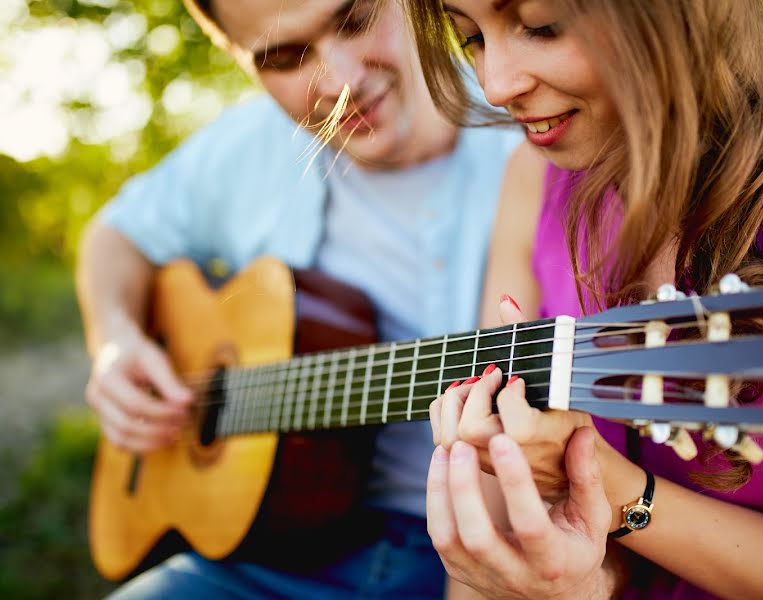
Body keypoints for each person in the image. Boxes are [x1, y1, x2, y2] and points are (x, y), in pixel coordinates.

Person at [404, 0, 763, 598]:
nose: (496, 85)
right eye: (470, 39)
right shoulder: (534, 176)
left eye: (542, 25)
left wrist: (610, 488)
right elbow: (491, 555)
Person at [75, 0, 520, 597]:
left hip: (475, 554)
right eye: (284, 58)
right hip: (269, 548)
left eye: (356, 20)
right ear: (240, 60)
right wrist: (114, 341)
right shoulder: (249, 146)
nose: (341, 84)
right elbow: (117, 232)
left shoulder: (537, 131)